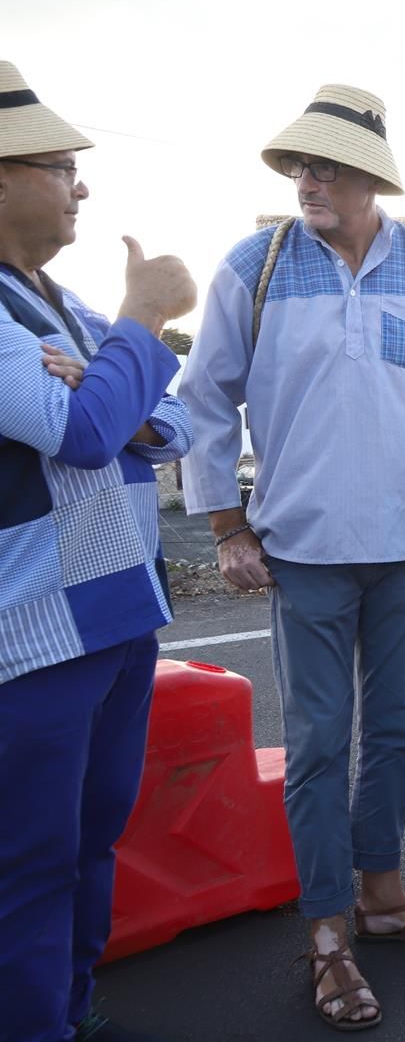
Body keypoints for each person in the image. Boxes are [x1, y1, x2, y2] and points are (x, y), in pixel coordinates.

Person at [180, 85, 405, 1032]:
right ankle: (328, 932)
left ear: (372, 175)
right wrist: (226, 527)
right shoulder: (259, 261)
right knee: (320, 742)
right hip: (304, 550)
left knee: (397, 730)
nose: (306, 179)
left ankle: (384, 896)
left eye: (324, 165)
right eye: (299, 164)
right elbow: (206, 399)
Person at [0, 63, 196, 1042]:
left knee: (91, 842)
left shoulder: (67, 307)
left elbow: (166, 428)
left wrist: (110, 378)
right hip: (34, 630)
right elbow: (83, 433)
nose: (81, 187)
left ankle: (69, 1009)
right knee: (31, 858)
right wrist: (143, 321)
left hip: (118, 609)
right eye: (60, 166)